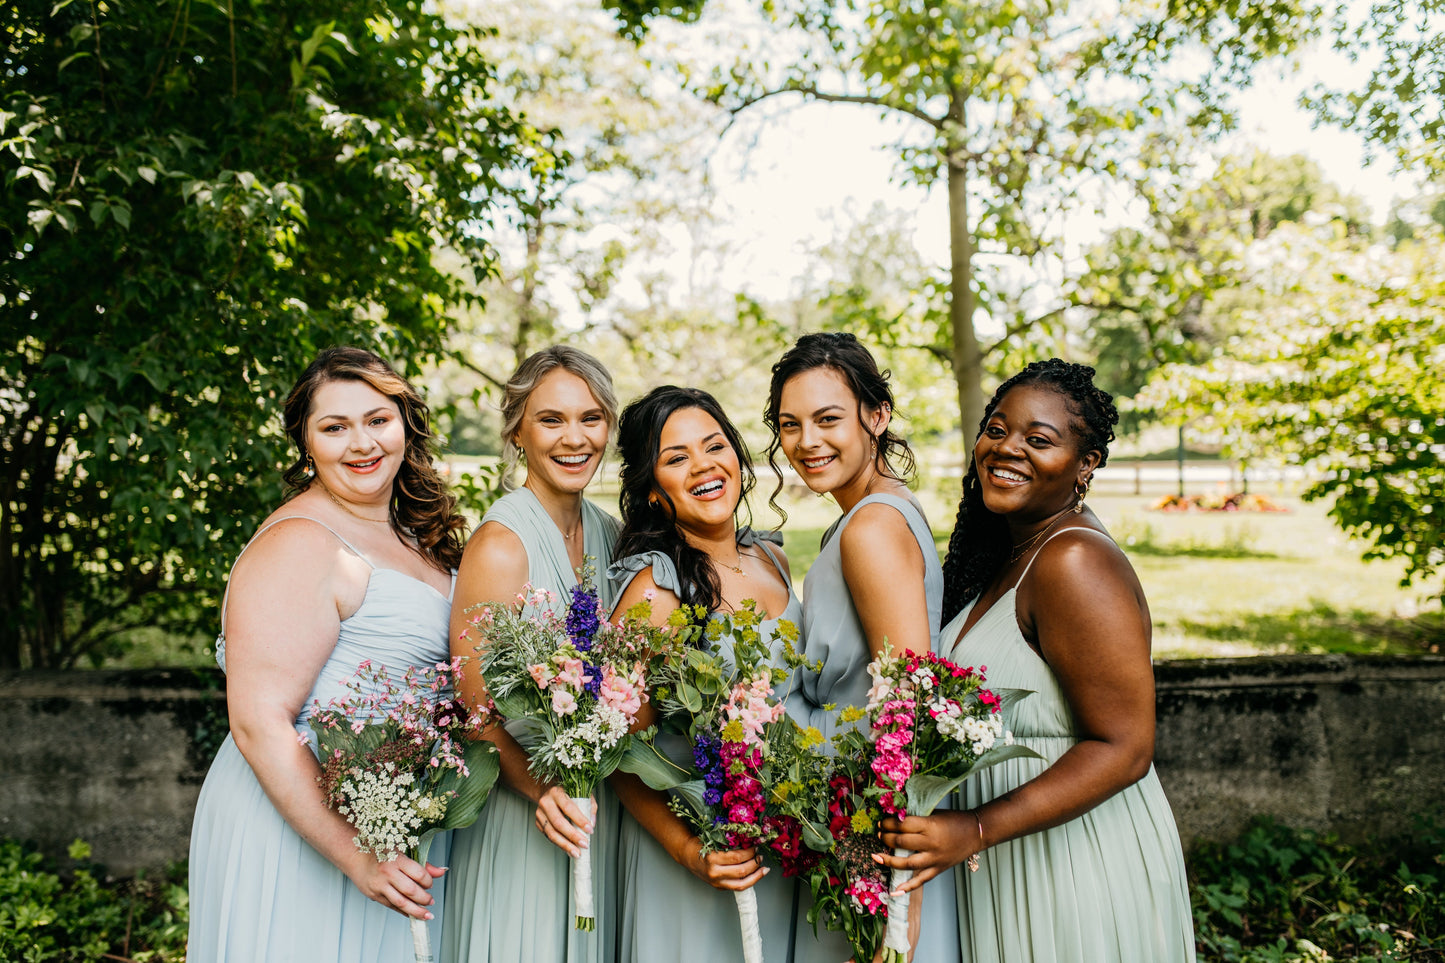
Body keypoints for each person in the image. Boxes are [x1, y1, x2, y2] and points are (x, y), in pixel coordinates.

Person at [877, 358, 1195, 962]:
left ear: (1086, 465)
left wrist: (973, 829)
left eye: (1038, 440)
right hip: (1004, 854)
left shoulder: (1074, 560)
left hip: (1076, 863)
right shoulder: (1010, 550)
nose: (1007, 449)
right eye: (996, 430)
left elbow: (1125, 747)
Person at [188, 346, 467, 962]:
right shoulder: (299, 542)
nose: (361, 443)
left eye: (377, 420)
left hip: (392, 815)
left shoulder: (410, 532)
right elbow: (258, 722)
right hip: (309, 826)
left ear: (405, 424)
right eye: (334, 427)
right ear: (306, 443)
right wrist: (356, 854)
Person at [764, 331, 961, 962]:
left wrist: (897, 893)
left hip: (874, 837)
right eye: (789, 425)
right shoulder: (875, 512)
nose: (807, 442)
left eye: (828, 419)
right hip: (849, 819)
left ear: (876, 417)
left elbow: (907, 706)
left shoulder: (871, 526)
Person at [604, 385, 802, 962]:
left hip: (779, 844)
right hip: (701, 859)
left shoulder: (773, 557)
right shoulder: (655, 590)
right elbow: (621, 755)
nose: (703, 467)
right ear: (651, 492)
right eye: (676, 458)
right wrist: (692, 852)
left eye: (714, 446)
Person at [441, 345, 623, 963]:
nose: (575, 437)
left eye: (591, 417)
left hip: (597, 815)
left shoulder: (611, 534)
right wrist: (543, 792)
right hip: (526, 815)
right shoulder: (500, 545)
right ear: (517, 429)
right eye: (552, 419)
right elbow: (474, 706)